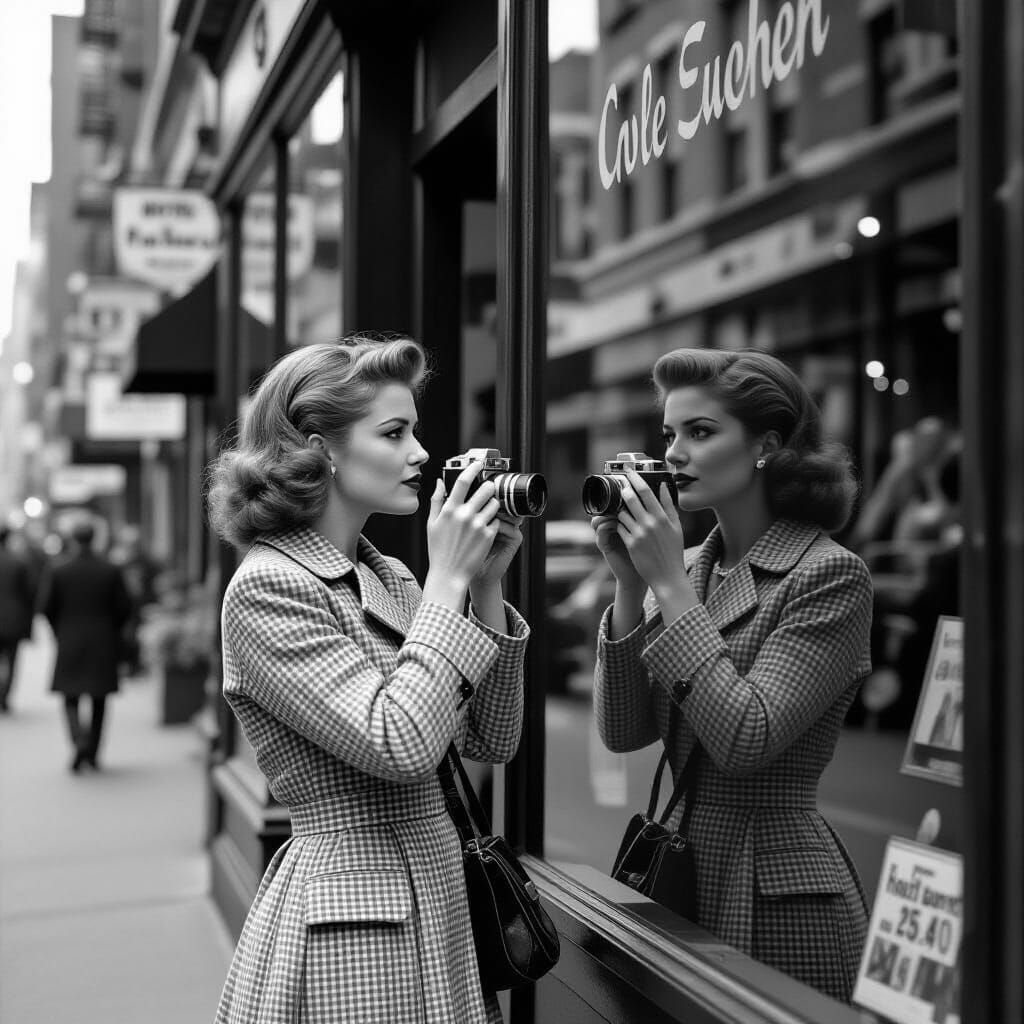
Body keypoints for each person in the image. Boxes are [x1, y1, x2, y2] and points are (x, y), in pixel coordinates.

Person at [206, 336, 529, 1024]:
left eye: (414, 429)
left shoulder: (390, 577)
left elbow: (491, 739)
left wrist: (485, 588)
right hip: (353, 918)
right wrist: (446, 582)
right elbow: (399, 743)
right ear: (319, 446)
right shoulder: (269, 585)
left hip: (439, 894)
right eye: (394, 432)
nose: (420, 453)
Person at [592, 348, 872, 1002]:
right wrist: (631, 585)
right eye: (669, 434)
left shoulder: (828, 575)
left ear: (766, 446)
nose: (676, 454)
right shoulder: (687, 568)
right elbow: (623, 732)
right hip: (680, 869)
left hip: (775, 889)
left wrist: (664, 579)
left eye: (701, 431)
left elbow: (748, 738)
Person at [39, 521, 132, 771]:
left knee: (70, 696)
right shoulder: (110, 570)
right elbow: (125, 606)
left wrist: (58, 630)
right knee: (99, 699)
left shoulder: (59, 570)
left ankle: (78, 740)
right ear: (94, 539)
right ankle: (92, 752)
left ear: (73, 539)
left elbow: (46, 607)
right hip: (103, 639)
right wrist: (112, 629)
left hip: (69, 638)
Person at [0, 525, 36, 712]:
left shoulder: (19, 562)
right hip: (13, 620)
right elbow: (30, 594)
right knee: (12, 661)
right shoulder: (18, 562)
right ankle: (4, 696)